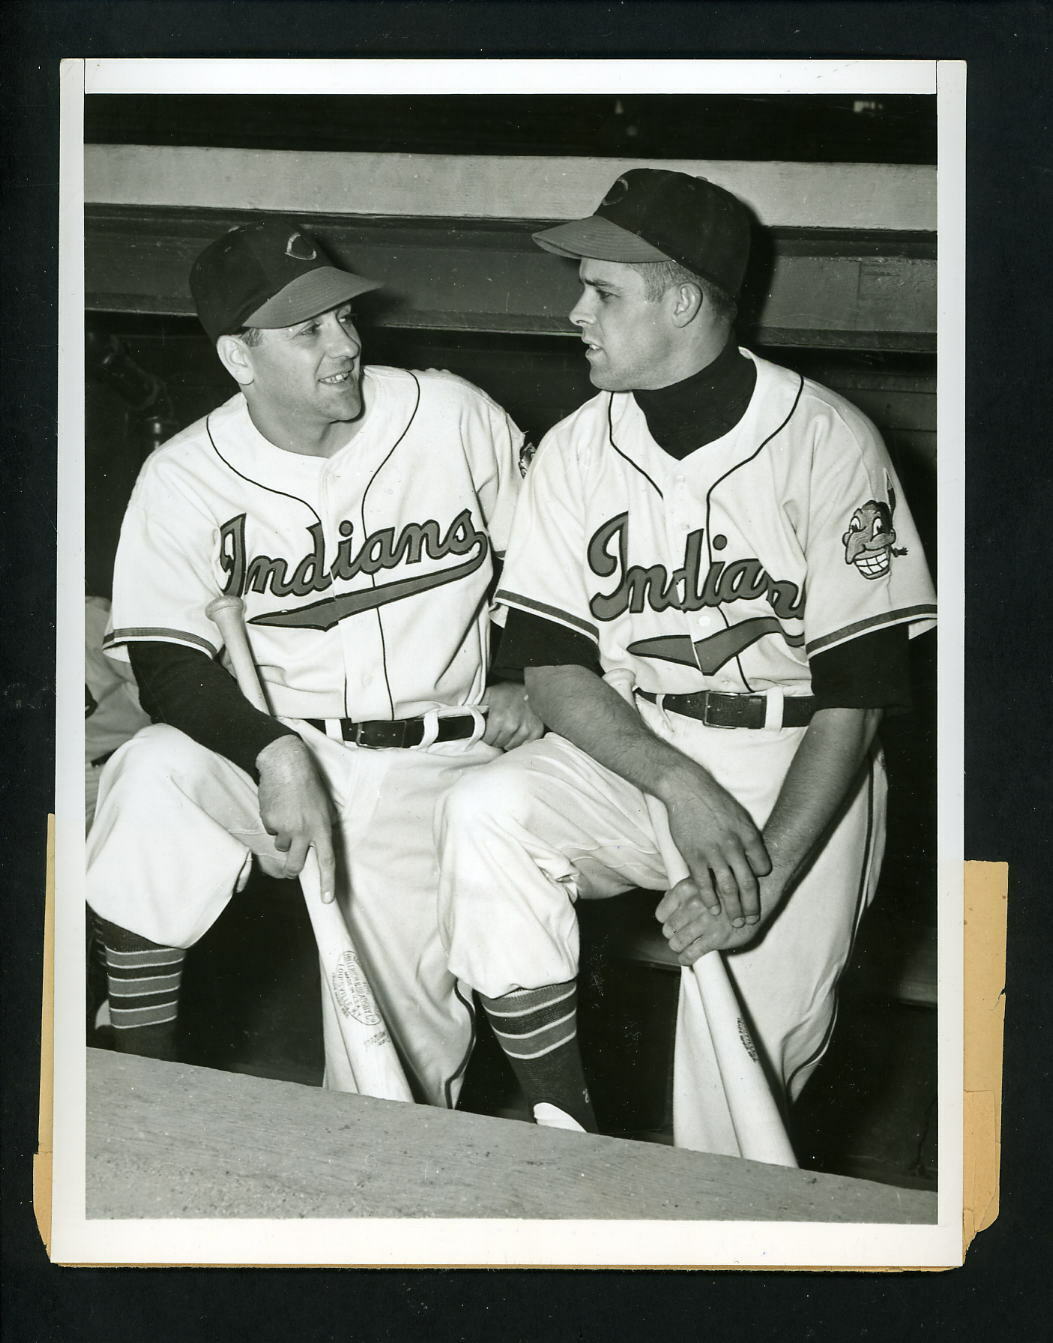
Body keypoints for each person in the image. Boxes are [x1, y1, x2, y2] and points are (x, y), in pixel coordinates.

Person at [437, 169, 936, 1141]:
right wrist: (677, 782)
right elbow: (553, 670)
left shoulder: (829, 442)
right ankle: (561, 1118)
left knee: (731, 1113)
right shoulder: (578, 448)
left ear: (682, 298)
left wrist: (766, 872)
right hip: (642, 746)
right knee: (487, 806)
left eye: (603, 292)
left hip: (796, 771)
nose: (575, 312)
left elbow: (860, 701)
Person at [86, 216, 541, 1106]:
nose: (345, 345)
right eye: (308, 331)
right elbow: (167, 665)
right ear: (238, 357)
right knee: (153, 772)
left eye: (343, 318)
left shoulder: (448, 412)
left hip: (436, 756)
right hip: (279, 746)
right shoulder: (184, 476)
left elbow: (545, 560)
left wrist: (530, 670)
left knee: (399, 1087)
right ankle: (137, 1078)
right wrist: (271, 748)